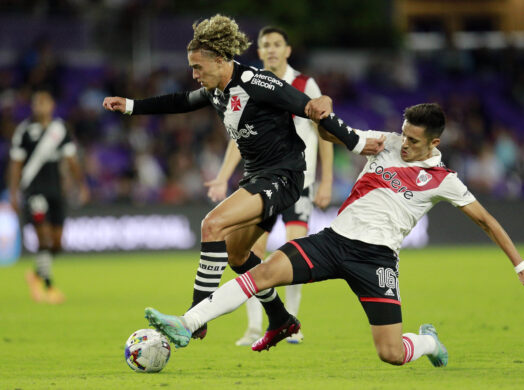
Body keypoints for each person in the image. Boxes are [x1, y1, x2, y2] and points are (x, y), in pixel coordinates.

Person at [144, 103, 524, 365]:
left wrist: (522, 267)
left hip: (376, 261)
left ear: (434, 143)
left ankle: (428, 343)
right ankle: (185, 322)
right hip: (333, 241)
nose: (403, 143)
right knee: (262, 273)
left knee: (391, 353)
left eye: (412, 140)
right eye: (403, 134)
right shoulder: (385, 143)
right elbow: (339, 135)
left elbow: (488, 222)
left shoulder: (445, 180)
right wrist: (323, 118)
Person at [103, 15, 383, 341]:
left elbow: (311, 109)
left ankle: (193, 319)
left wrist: (358, 142)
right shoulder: (216, 90)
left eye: (198, 67)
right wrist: (131, 106)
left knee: (212, 224)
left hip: (284, 176)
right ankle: (281, 319)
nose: (194, 74)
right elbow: (180, 101)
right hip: (257, 177)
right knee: (237, 256)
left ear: (220, 60)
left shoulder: (255, 81)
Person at [205, 26, 333, 346]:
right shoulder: (247, 84)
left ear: (287, 50)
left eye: (277, 44)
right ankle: (253, 326)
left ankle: (292, 321)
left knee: (293, 248)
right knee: (251, 253)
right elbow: (239, 138)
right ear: (259, 52)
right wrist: (223, 176)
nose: (272, 50)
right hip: (264, 180)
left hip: (298, 180)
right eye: (266, 45)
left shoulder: (305, 84)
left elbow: (324, 133)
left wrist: (327, 181)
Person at [8, 89, 89, 304]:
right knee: (43, 238)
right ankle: (49, 287)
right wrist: (14, 193)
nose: (41, 106)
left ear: (52, 105)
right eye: (37, 103)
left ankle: (35, 274)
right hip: (34, 190)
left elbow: (71, 160)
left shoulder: (60, 129)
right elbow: (16, 164)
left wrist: (82, 185)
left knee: (57, 244)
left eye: (45, 102)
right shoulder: (24, 131)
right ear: (33, 106)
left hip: (56, 191)